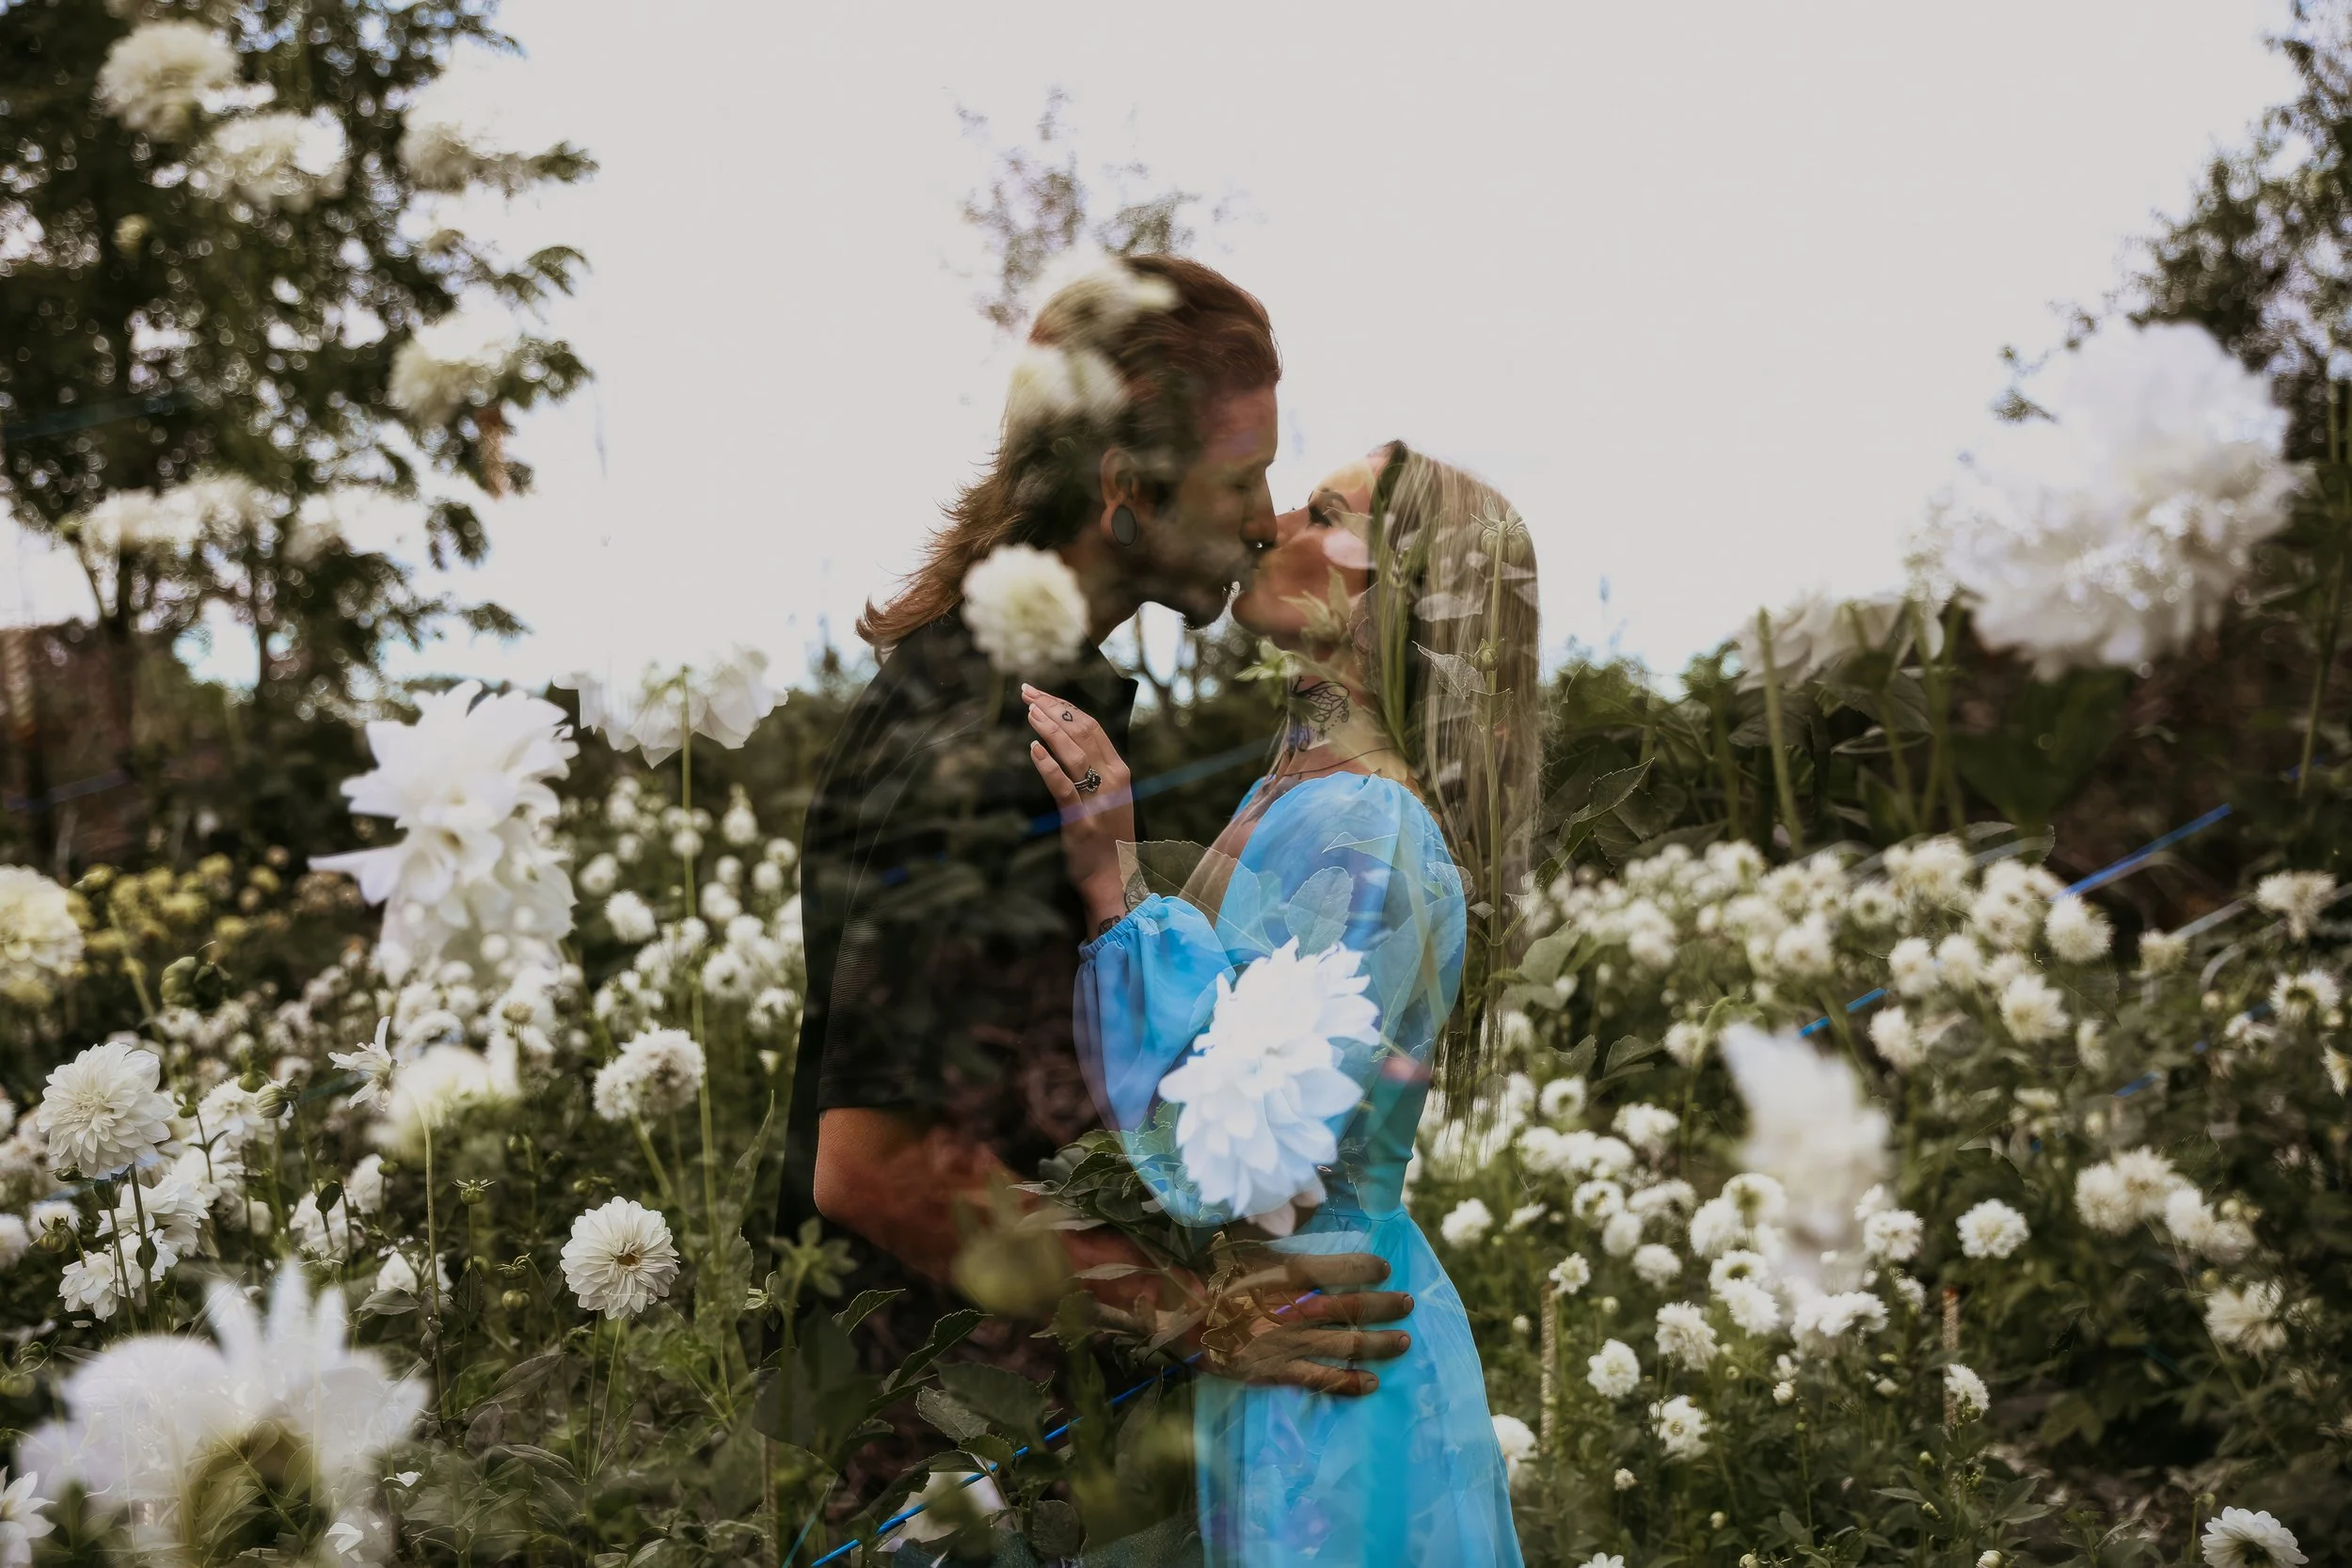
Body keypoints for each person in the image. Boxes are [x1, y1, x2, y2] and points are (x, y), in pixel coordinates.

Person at [777, 256, 1419, 1516]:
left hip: (1016, 1434)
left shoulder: (1055, 722)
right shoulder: (980, 734)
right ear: (1125, 495)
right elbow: (872, 1158)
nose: (1262, 518)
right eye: (1241, 482)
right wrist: (1191, 1309)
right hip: (936, 1462)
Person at [1026, 441, 1541, 1564]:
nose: (1268, 524)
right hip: (1295, 1325)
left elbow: (1237, 1153)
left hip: (1324, 1356)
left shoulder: (1363, 822)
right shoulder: (1308, 790)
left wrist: (1112, 880)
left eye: (1320, 510)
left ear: (1389, 592)